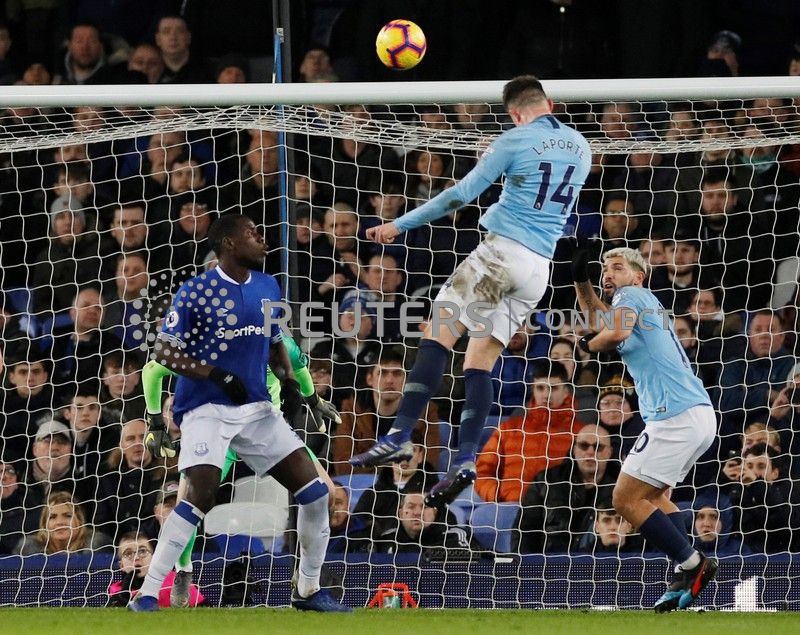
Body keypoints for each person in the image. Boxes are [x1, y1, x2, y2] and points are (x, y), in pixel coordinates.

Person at [351, 75, 592, 510]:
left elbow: (459, 196)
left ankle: (399, 434)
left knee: (436, 332)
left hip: (500, 254)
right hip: (538, 269)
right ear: (549, 104)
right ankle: (464, 461)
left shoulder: (513, 139)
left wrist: (396, 225)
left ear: (514, 114)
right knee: (478, 364)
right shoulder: (580, 145)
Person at [129, 215, 349, 612]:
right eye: (252, 232)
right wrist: (213, 374)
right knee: (199, 496)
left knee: (316, 493)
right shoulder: (198, 291)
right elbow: (162, 352)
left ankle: (308, 590)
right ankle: (148, 594)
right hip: (206, 409)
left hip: (258, 409)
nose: (262, 237)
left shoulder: (268, 285)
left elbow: (280, 339)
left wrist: (307, 394)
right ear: (229, 243)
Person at [140, 329, 339, 607]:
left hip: (268, 433)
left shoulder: (282, 344)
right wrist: (154, 421)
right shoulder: (206, 346)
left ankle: (306, 583)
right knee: (188, 502)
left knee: (326, 493)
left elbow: (300, 368)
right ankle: (183, 570)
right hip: (220, 434)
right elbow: (152, 371)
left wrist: (313, 401)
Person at [569, 244, 718, 611]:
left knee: (623, 499)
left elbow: (611, 334)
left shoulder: (633, 294)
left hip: (675, 415)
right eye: (605, 269)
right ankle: (685, 572)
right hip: (695, 415)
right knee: (651, 497)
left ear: (638, 275)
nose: (609, 274)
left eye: (616, 267)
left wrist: (588, 345)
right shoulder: (634, 305)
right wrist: (581, 280)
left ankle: (693, 563)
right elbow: (601, 320)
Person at [107, 533, 204, 608]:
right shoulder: (117, 591)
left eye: (142, 551)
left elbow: (205, 608)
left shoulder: (174, 580)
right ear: (121, 565)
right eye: (128, 554)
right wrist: (124, 594)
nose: (136, 557)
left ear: (153, 558)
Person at [14, 491, 112, 555]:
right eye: (52, 517)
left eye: (67, 516)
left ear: (79, 520)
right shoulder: (28, 549)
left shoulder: (97, 545)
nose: (59, 522)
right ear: (44, 524)